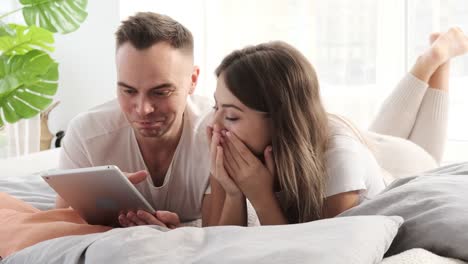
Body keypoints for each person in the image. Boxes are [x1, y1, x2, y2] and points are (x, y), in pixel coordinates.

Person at [205, 27, 468, 226]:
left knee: (427, 158)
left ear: (279, 119)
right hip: (360, 144)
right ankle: (432, 61)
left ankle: (435, 62)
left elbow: (320, 252)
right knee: (374, 137)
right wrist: (231, 190)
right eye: (215, 108)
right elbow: (216, 243)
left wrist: (262, 197)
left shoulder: (339, 160)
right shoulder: (238, 144)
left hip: (402, 165)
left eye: (231, 116)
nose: (214, 125)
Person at [56, 12, 213, 227]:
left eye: (161, 92)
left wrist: (180, 234)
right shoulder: (87, 134)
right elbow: (61, 224)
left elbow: (224, 234)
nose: (143, 109)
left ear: (193, 80)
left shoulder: (215, 131)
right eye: (129, 91)